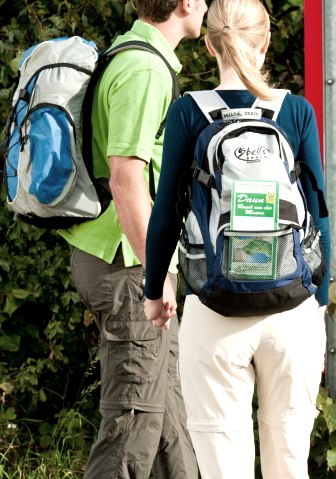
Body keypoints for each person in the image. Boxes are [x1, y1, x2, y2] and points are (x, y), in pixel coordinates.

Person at [143, 0, 331, 477]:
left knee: (223, 465)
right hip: (292, 308)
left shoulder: (189, 112)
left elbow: (165, 213)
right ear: (265, 42)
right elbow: (320, 211)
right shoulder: (296, 111)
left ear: (209, 45)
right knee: (290, 463)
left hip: (214, 305)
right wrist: (320, 305)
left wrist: (152, 291)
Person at [59, 1, 207, 477]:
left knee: (166, 419)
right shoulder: (144, 67)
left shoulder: (136, 55)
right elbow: (126, 178)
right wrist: (156, 275)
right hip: (127, 265)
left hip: (127, 259)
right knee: (132, 422)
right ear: (184, 3)